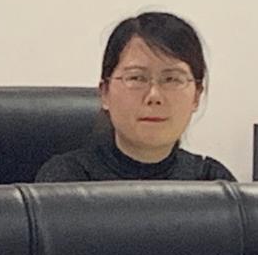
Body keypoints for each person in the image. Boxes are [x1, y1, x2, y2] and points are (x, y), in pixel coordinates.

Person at [36, 12, 235, 182]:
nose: (154, 96)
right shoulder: (68, 180)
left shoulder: (212, 182)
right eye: (137, 78)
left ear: (196, 96)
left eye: (172, 79)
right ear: (105, 93)